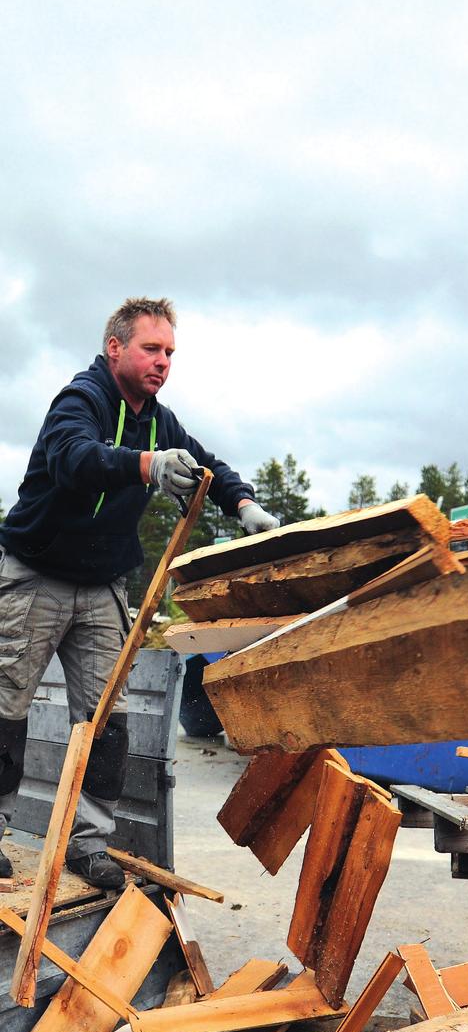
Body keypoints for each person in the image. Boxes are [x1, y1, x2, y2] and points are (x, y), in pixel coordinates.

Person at [0, 297, 279, 889]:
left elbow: (209, 465)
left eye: (170, 353)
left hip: (102, 586)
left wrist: (245, 504)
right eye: (151, 349)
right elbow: (77, 460)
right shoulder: (81, 400)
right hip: (36, 574)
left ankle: (89, 842)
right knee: (6, 706)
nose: (162, 363)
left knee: (107, 718)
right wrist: (148, 466)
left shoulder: (160, 418)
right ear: (116, 349)